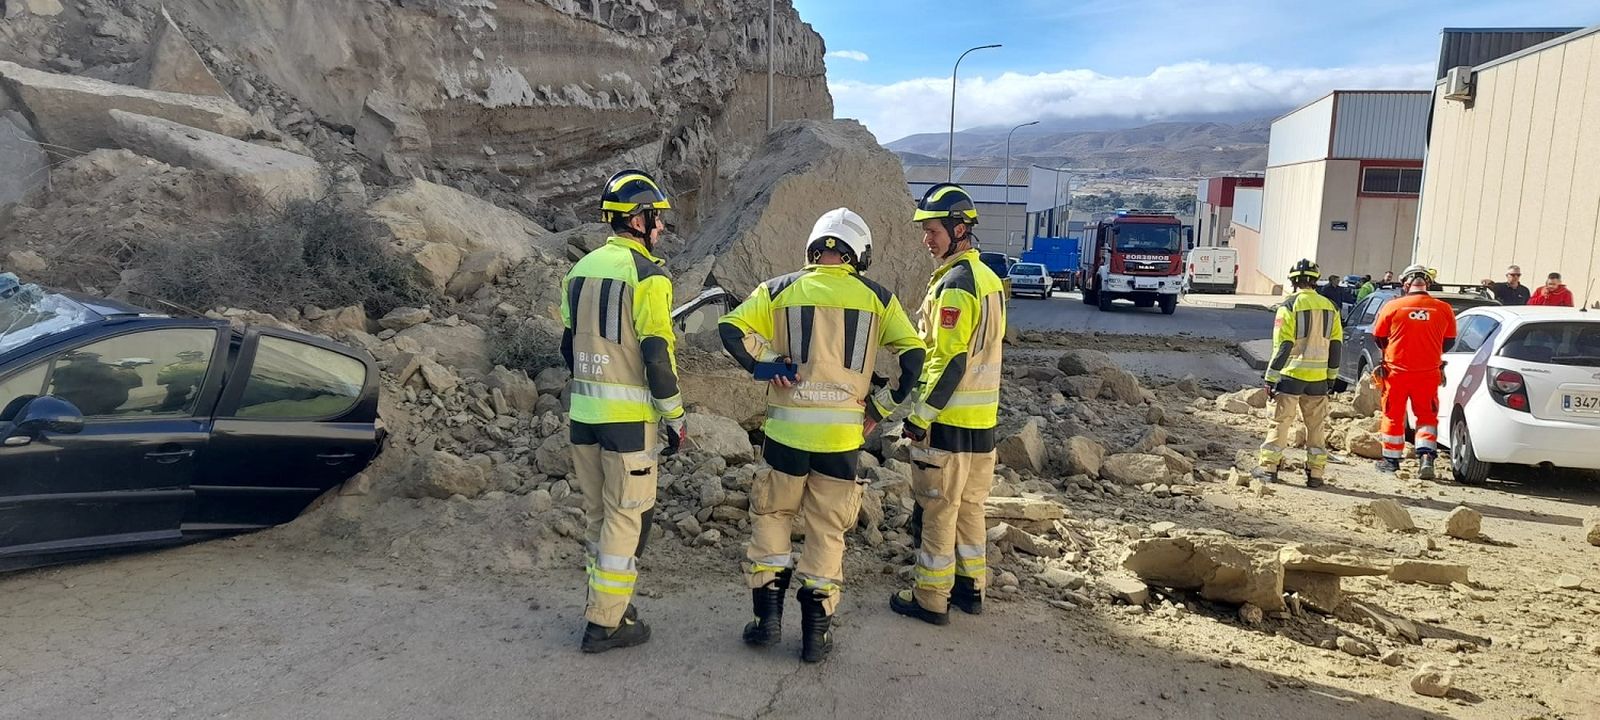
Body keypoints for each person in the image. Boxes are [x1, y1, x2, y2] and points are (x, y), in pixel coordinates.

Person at [719, 208, 925, 663]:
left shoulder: (779, 289)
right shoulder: (878, 299)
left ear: (815, 246)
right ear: (859, 253)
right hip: (841, 442)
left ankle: (766, 620)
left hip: (785, 437)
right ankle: (816, 635)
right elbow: (914, 356)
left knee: (773, 518)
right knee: (828, 530)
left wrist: (764, 365)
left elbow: (730, 327)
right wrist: (880, 408)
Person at [561, 169, 686, 654]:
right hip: (628, 424)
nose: (660, 229)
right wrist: (675, 417)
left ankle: (607, 606)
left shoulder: (579, 271)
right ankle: (606, 626)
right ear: (638, 220)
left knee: (599, 518)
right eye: (656, 220)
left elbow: (568, 348)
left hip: (583, 417)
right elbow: (657, 354)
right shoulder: (650, 276)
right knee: (626, 516)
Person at [890, 183, 1007, 627]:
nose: (927, 239)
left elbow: (950, 358)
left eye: (933, 230)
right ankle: (970, 587)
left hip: (949, 420)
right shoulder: (989, 280)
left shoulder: (955, 285)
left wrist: (920, 417)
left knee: (938, 509)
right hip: (983, 423)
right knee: (970, 508)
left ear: (960, 230)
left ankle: (931, 597)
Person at [1255, 259, 1343, 488]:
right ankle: (1315, 474)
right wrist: (1331, 378)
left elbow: (1283, 345)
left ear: (1293, 281)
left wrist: (1270, 377)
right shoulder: (1330, 307)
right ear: (1316, 280)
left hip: (1291, 376)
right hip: (1319, 379)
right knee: (1316, 427)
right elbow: (1336, 346)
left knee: (1280, 423)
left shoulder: (1289, 305)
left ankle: (1269, 469)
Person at [1371, 264, 1456, 480]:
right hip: (1428, 374)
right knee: (1427, 416)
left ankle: (1391, 461)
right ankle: (1426, 457)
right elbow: (1449, 343)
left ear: (1406, 284)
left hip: (1396, 373)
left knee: (1393, 414)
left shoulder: (1393, 306)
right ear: (1427, 283)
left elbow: (1379, 338)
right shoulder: (1444, 308)